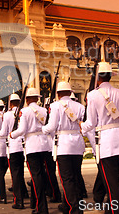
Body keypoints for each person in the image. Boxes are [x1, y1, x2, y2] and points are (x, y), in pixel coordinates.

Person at [81, 62, 119, 214]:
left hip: (105, 142)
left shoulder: (92, 95)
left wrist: (80, 126)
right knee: (113, 178)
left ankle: (118, 211)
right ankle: (112, 209)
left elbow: (91, 123)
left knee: (111, 183)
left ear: (97, 79)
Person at [42, 81, 85, 214]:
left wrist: (43, 129)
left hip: (64, 145)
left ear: (58, 94)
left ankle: (74, 208)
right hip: (78, 144)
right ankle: (67, 204)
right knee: (76, 175)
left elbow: (52, 126)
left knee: (66, 178)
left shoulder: (55, 106)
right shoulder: (80, 106)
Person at [11, 87, 51, 214]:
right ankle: (36, 202)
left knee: (36, 177)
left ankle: (42, 207)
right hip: (44, 145)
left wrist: (12, 135)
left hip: (32, 146)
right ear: (37, 98)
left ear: (27, 99)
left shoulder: (25, 111)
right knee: (41, 175)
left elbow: (22, 130)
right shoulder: (44, 110)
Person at [0, 93, 29, 209]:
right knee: (20, 173)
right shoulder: (24, 112)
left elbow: (3, 132)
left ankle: (18, 200)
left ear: (10, 103)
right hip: (23, 146)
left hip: (13, 147)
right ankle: (24, 194)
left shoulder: (7, 115)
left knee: (15, 175)